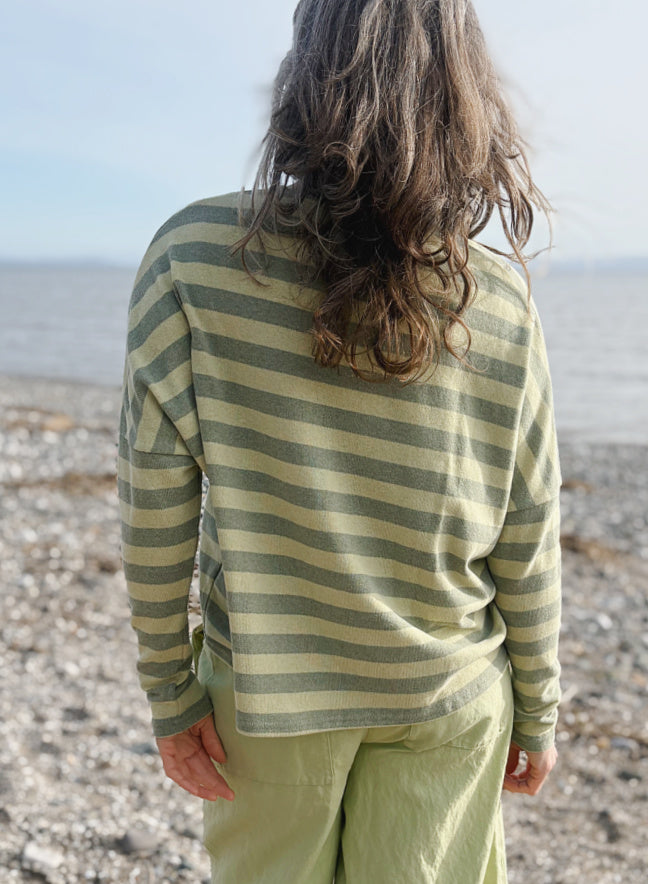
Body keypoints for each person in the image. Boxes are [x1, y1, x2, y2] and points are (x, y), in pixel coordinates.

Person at [117, 1, 562, 881]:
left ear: (306, 74)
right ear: (463, 91)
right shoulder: (499, 299)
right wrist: (540, 704)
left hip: (269, 694)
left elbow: (155, 499)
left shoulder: (196, 257)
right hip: (448, 693)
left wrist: (170, 691)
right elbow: (528, 521)